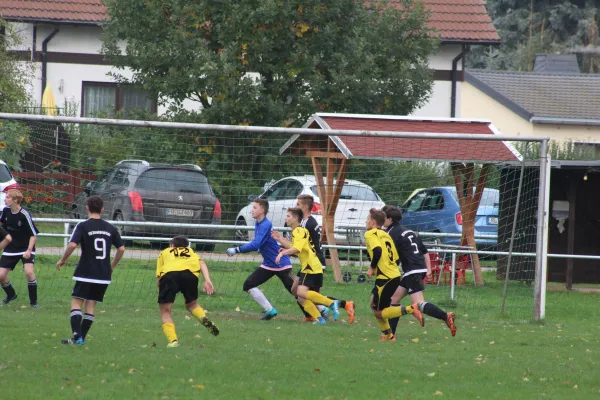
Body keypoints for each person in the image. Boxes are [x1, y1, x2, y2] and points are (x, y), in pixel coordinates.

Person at [56, 195, 126, 345]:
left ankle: (76, 336)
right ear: (102, 209)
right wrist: (111, 265)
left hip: (85, 272)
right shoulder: (110, 227)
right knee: (91, 305)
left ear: (86, 207)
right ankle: (80, 338)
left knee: (76, 302)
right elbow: (121, 248)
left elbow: (73, 245)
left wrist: (63, 259)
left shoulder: (82, 226)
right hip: (103, 274)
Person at [382, 205, 456, 337]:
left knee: (418, 303)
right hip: (417, 268)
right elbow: (425, 251)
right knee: (394, 298)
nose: (382, 220)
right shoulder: (408, 231)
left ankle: (445, 316)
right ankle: (391, 334)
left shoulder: (391, 233)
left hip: (412, 270)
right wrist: (427, 269)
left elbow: (390, 255)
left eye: (383, 218)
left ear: (390, 219)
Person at [273, 208, 355, 325]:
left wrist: (282, 253)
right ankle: (320, 318)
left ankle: (332, 304)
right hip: (312, 265)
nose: (286, 218)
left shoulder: (299, 231)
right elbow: (296, 248)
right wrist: (282, 241)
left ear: (296, 218)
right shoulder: (299, 231)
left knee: (301, 292)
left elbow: (297, 248)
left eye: (288, 216)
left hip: (310, 266)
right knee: (299, 295)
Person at [227, 198, 294, 320]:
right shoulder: (258, 223)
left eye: (255, 207)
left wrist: (237, 249)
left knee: (296, 291)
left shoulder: (265, 224)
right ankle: (270, 310)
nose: (252, 210)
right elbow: (261, 243)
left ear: (262, 210)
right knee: (248, 284)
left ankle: (322, 308)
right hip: (269, 264)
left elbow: (255, 244)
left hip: (280, 263)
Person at [364, 208, 422, 341]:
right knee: (373, 304)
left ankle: (411, 309)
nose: (365, 222)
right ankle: (388, 335)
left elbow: (377, 251)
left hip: (385, 277)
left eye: (367, 219)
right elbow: (396, 258)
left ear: (373, 222)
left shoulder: (370, 234)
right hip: (394, 275)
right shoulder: (386, 234)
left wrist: (372, 268)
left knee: (379, 312)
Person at [156, 236, 219, 347]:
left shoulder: (164, 252)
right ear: (186, 246)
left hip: (170, 276)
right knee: (192, 304)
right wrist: (207, 280)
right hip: (190, 276)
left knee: (166, 311)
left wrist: (161, 290)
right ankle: (203, 318)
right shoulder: (191, 252)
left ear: (171, 245)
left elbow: (160, 277)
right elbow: (202, 264)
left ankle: (173, 341)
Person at [0, 189, 39, 307]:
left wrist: (28, 250)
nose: (5, 199)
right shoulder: (6, 211)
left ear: (15, 200)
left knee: (29, 272)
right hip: (10, 248)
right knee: (1, 276)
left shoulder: (24, 214)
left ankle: (33, 303)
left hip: (25, 248)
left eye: (7, 197)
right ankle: (11, 294)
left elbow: (33, 235)